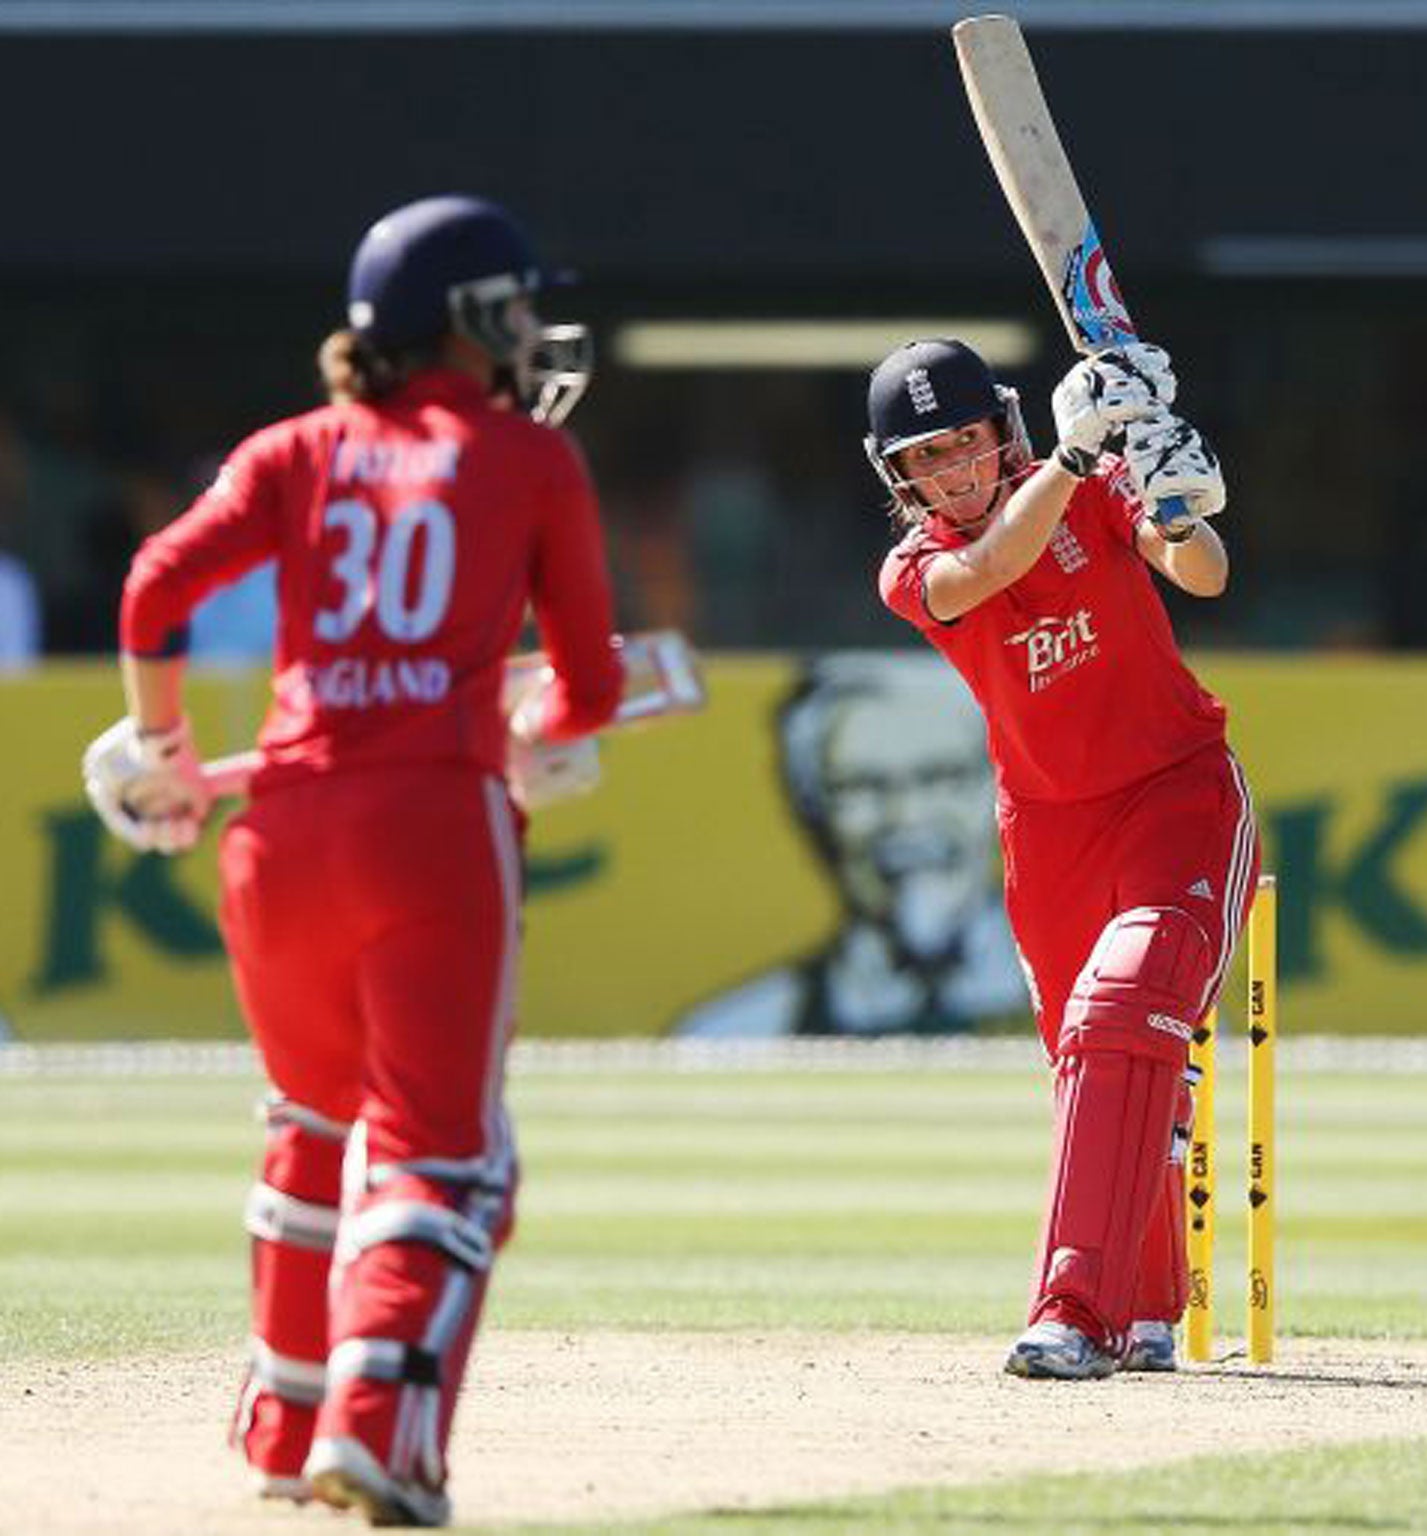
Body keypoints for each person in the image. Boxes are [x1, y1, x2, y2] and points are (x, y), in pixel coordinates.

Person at [81, 194, 623, 1526]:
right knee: (448, 1160)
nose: (529, 331)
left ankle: (284, 1428)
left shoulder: (292, 448)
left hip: (280, 833)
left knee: (311, 1129)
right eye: (511, 307)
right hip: (432, 827)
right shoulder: (529, 461)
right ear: (469, 320)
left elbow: (153, 586)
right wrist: (538, 729)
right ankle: (377, 1435)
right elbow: (593, 686)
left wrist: (162, 748)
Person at [869, 337, 1260, 1378]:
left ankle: (1071, 1311)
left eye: (966, 443)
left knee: (1125, 1008)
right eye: (927, 459)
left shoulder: (1090, 492)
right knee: (1089, 1064)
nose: (953, 470)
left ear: (1003, 430)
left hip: (1176, 794)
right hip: (1046, 833)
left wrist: (1175, 497)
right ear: (898, 477)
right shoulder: (913, 570)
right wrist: (1080, 459)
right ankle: (1142, 1307)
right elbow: (987, 567)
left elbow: (1205, 574)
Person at [670, 651, 1031, 1037]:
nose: (906, 819)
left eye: (942, 778)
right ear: (811, 809)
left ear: (999, 786)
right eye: (862, 787)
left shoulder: (1088, 1000)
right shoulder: (730, 1037)